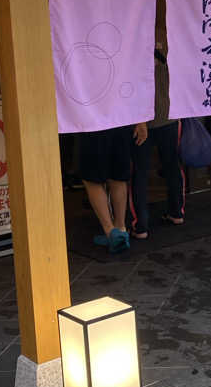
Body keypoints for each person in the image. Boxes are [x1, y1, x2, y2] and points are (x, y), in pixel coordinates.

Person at [129, 44, 184, 238]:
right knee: (172, 166)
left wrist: (139, 120)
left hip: (141, 122)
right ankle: (176, 213)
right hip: (170, 117)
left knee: (139, 173)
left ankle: (140, 226)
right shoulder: (169, 49)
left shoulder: (132, 52)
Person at [79, 122, 147, 252]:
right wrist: (141, 122)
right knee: (118, 178)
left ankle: (110, 232)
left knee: (92, 181)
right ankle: (121, 229)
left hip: (92, 125)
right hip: (121, 124)